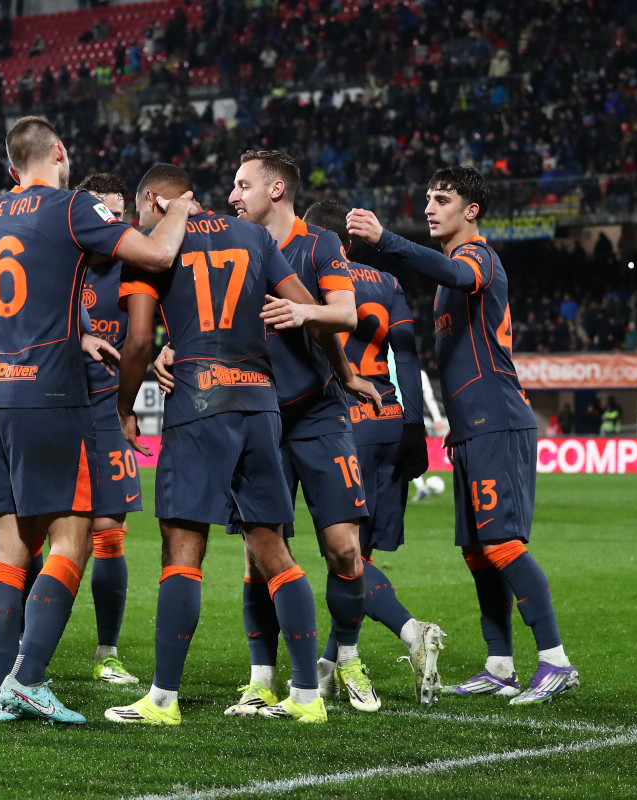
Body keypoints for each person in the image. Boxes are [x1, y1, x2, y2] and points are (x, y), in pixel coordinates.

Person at [107, 164, 380, 727]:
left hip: (199, 400)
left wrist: (124, 408)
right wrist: (345, 372)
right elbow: (313, 317)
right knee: (273, 549)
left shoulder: (152, 249)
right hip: (259, 402)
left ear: (154, 202)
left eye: (138, 212)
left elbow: (137, 341)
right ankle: (306, 695)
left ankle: (162, 700)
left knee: (183, 549)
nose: (138, 224)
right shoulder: (254, 236)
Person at [0, 116, 196, 724]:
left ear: (12, 167)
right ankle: (29, 680)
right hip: (47, 394)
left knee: (9, 547)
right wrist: (179, 208)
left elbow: (22, 295)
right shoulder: (72, 206)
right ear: (60, 151)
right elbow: (158, 252)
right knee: (72, 537)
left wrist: (80, 331)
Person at [348, 165, 580, 704]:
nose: (430, 207)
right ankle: (500, 665)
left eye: (442, 199)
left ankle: (555, 660)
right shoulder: (450, 274)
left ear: (471, 210)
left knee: (502, 544)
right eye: (427, 198)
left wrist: (385, 240)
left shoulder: (478, 258)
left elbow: (453, 274)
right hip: (470, 428)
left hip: (497, 419)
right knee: (478, 552)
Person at [187, 151, 384, 715]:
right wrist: (172, 347)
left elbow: (345, 314)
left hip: (316, 413)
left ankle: (345, 659)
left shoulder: (319, 244)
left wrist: (306, 315)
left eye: (242, 184)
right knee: (259, 555)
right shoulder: (232, 246)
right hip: (254, 416)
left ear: (276, 189)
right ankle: (261, 679)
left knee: (344, 548)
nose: (232, 195)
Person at [301, 199, 445, 706]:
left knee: (342, 555)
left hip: (342, 420)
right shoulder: (387, 281)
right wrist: (414, 426)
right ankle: (328, 665)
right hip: (389, 420)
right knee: (358, 556)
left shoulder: (312, 272)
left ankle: (411, 631)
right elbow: (407, 353)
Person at [74, 172, 142, 685]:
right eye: (102, 213)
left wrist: (166, 349)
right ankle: (9, 650)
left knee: (109, 534)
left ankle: (107, 652)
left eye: (117, 215)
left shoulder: (133, 265)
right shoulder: (59, 260)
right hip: (53, 411)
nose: (110, 223)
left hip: (107, 413)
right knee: (29, 537)